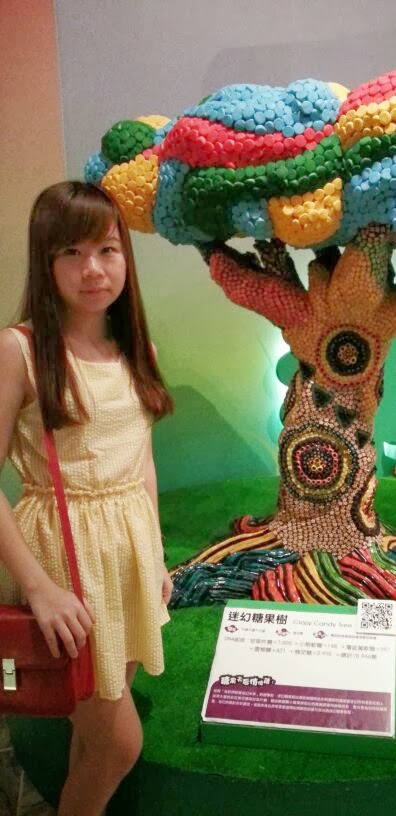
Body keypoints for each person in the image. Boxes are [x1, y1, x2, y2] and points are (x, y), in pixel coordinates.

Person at [0, 181, 174, 816]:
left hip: (126, 557)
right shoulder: (20, 349)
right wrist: (40, 588)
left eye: (107, 249)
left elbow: (141, 461)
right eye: (70, 252)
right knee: (119, 743)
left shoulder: (136, 349)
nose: (93, 269)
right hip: (65, 563)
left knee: (95, 732)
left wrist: (156, 557)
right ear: (45, 263)